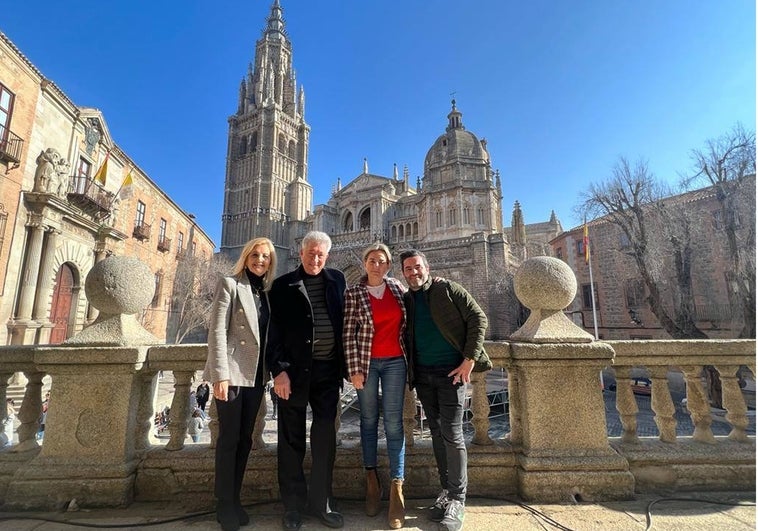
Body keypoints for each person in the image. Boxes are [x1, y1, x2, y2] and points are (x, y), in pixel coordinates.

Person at [399, 249, 492, 531]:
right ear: (402, 272)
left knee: (452, 433)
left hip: (452, 374)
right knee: (437, 433)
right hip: (424, 376)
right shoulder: (406, 300)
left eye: (417, 267)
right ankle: (446, 491)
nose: (413, 272)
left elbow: (479, 319)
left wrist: (469, 360)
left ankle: (458, 498)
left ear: (427, 267)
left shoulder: (447, 288)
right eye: (408, 269)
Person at [267, 231, 347, 531]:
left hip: (327, 373)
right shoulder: (282, 285)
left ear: (327, 256)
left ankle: (321, 502)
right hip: (293, 374)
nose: (315, 258)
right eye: (311, 252)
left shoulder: (337, 280)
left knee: (325, 439)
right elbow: (271, 334)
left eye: (321, 254)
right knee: (291, 441)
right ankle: (293, 507)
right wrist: (278, 370)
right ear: (301, 253)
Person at [203, 237, 277, 531]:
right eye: (255, 255)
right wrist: (220, 375)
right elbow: (217, 332)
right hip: (233, 374)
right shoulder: (230, 284)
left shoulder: (268, 292)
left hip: (257, 376)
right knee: (229, 439)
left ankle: (234, 498)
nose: (260, 260)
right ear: (246, 256)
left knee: (245, 438)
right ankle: (224, 503)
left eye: (266, 257)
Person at [343, 243, 408, 529]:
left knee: (394, 423)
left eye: (382, 261)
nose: (376, 265)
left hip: (396, 362)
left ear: (389, 265)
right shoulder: (354, 292)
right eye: (372, 260)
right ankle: (372, 481)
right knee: (368, 421)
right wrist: (354, 370)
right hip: (366, 365)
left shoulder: (397, 288)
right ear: (364, 263)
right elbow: (348, 334)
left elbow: (419, 303)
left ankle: (396, 489)